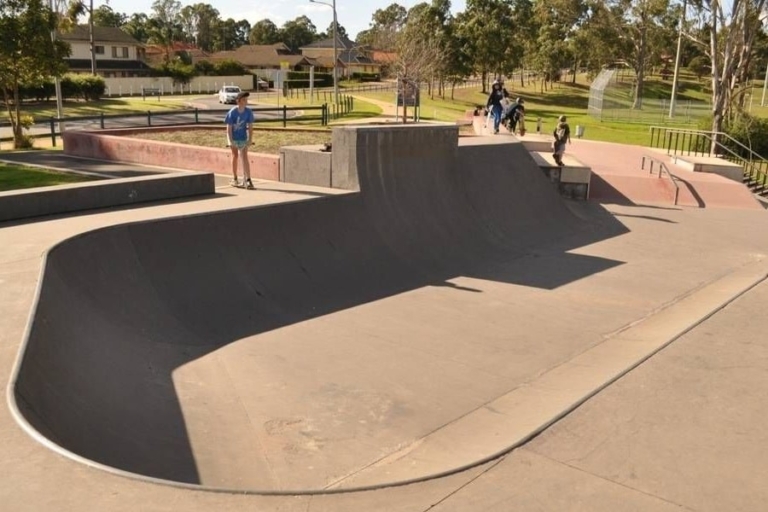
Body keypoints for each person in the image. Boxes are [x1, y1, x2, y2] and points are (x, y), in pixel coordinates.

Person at [224, 91, 255, 189]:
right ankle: (235, 178)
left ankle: (248, 180)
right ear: (239, 101)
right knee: (235, 156)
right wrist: (230, 141)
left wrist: (250, 139)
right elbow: (229, 128)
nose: (246, 101)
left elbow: (250, 127)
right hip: (233, 137)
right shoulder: (232, 112)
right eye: (244, 100)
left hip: (243, 137)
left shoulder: (248, 112)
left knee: (245, 156)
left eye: (246, 99)